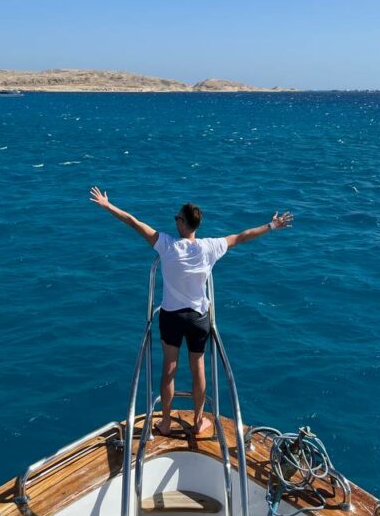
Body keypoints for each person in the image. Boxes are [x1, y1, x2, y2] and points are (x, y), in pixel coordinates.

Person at [89, 187, 292, 437]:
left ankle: (164, 422)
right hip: (198, 318)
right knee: (199, 369)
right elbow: (241, 236)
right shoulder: (210, 247)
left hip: (172, 317)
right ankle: (198, 421)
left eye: (177, 218)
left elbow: (133, 222)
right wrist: (271, 226)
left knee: (169, 369)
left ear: (184, 223)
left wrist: (108, 206)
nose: (175, 220)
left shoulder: (166, 245)